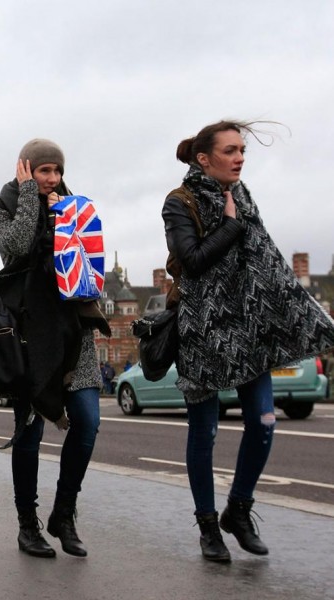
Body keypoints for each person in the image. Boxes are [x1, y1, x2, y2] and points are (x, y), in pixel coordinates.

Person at [163, 120, 334, 562]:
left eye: (243, 150)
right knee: (205, 431)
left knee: (263, 422)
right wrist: (231, 226)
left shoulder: (241, 195)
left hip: (251, 330)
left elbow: (269, 263)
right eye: (231, 150)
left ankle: (238, 510)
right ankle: (207, 526)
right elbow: (193, 261)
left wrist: (308, 314)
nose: (240, 157)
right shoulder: (178, 202)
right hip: (202, 331)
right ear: (205, 158)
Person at [0, 138, 110, 560]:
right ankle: (27, 524)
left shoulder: (73, 205)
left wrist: (67, 219)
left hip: (74, 330)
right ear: (26, 169)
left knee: (88, 422)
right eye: (43, 171)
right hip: (29, 332)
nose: (52, 179)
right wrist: (27, 198)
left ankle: (64, 512)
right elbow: (16, 247)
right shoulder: (1, 204)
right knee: (30, 430)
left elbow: (88, 257)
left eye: (57, 171)